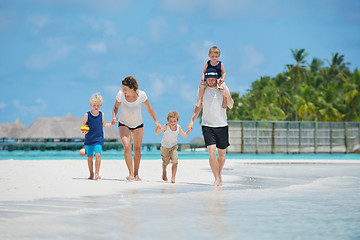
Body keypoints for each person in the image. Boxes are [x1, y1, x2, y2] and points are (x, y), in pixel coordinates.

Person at [188, 68, 233, 186]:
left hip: (222, 125)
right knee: (212, 152)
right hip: (207, 125)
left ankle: (219, 175)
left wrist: (227, 95)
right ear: (206, 79)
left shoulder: (222, 87)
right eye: (209, 79)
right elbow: (198, 106)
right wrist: (192, 121)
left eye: (213, 79)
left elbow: (231, 105)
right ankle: (217, 178)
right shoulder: (203, 89)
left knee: (222, 155)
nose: (211, 82)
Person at [112, 76, 161, 181]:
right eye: (122, 88)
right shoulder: (120, 95)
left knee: (137, 149)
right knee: (126, 146)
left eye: (125, 89)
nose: (123, 91)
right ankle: (130, 173)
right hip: (123, 123)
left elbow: (149, 108)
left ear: (132, 87)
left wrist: (156, 121)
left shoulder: (141, 95)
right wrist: (114, 117)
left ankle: (136, 174)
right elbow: (116, 107)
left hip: (138, 124)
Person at [81, 93, 115, 180]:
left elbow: (103, 125)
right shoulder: (87, 115)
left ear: (101, 105)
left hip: (98, 139)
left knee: (98, 155)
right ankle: (91, 173)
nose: (96, 107)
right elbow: (83, 126)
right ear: (90, 105)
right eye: (94, 105)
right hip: (89, 139)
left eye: (98, 105)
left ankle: (97, 173)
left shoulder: (101, 114)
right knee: (89, 157)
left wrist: (111, 124)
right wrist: (83, 130)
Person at [155, 111, 192, 183]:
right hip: (165, 147)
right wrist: (157, 128)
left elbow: (184, 135)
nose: (172, 123)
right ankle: (164, 171)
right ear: (168, 121)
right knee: (165, 162)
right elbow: (157, 133)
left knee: (175, 161)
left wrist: (189, 131)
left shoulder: (178, 127)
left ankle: (173, 177)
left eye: (174, 121)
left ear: (177, 121)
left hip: (173, 147)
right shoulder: (166, 126)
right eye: (171, 121)